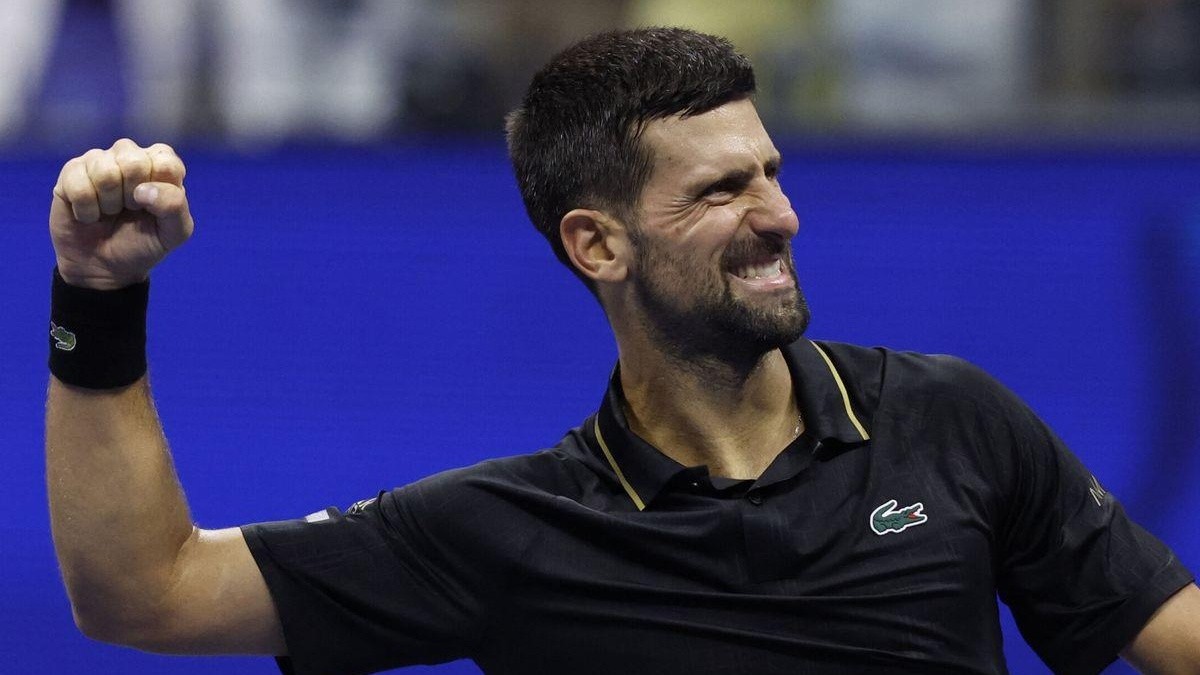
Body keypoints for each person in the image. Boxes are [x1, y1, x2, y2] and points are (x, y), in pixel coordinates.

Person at [45, 27, 1200, 675]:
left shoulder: (954, 422)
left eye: (773, 172)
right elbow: (145, 594)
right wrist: (98, 297)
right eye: (723, 190)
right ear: (597, 244)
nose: (781, 215)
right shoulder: (502, 532)